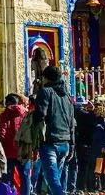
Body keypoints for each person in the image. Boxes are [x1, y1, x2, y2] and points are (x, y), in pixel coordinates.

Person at [32, 65, 74, 195]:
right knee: (56, 180)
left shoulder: (45, 92)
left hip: (50, 141)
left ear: (45, 78)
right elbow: (72, 121)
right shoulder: (67, 95)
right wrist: (72, 144)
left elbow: (40, 114)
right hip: (65, 141)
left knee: (52, 179)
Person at [0, 94, 31, 195]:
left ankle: (9, 193)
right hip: (24, 150)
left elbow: (2, 133)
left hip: (8, 151)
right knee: (25, 176)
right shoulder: (26, 113)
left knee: (7, 177)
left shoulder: (5, 114)